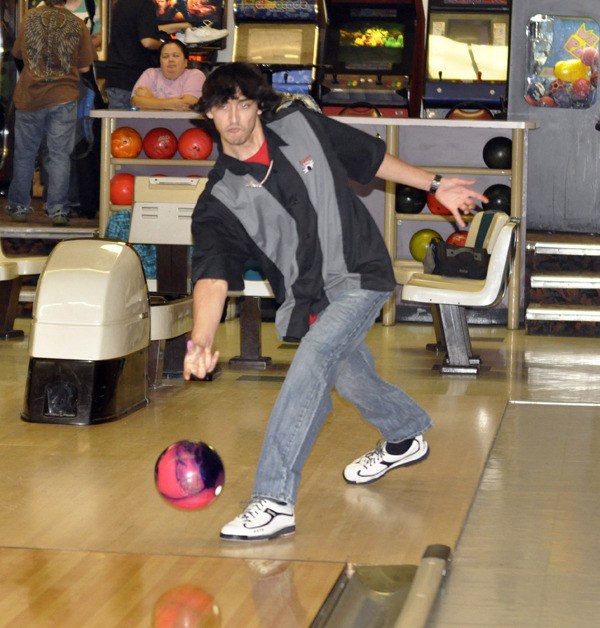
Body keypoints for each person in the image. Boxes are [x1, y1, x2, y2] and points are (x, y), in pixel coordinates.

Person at [183, 63, 487, 542]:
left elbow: (370, 158)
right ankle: (403, 433)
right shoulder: (219, 200)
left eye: (244, 104)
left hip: (361, 272)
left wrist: (435, 184)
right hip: (306, 300)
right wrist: (200, 339)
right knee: (349, 371)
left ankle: (272, 500)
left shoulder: (303, 125)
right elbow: (213, 277)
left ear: (259, 106)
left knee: (314, 362)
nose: (234, 117)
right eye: (222, 106)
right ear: (208, 114)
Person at [5, 0, 95, 225]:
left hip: (30, 96)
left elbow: (17, 52)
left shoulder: (30, 18)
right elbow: (85, 67)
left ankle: (19, 207)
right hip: (63, 96)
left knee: (25, 154)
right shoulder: (77, 24)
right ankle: (58, 210)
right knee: (59, 155)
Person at [104, 0, 190, 109]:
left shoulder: (122, 3)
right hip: (132, 78)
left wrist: (180, 26)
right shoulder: (145, 4)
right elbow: (147, 41)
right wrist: (164, 45)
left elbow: (144, 29)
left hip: (116, 76)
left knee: (119, 123)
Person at [131, 39, 204, 110]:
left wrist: (151, 99)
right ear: (160, 61)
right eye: (165, 56)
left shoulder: (195, 75)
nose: (171, 60)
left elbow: (188, 104)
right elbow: (135, 102)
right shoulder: (150, 73)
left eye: (176, 55)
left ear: (185, 62)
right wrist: (172, 104)